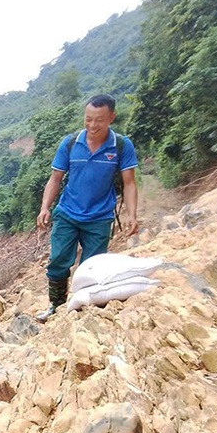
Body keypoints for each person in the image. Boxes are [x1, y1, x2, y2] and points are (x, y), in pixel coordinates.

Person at [34, 94, 139, 322]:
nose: (92, 125)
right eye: (88, 119)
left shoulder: (121, 146)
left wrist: (132, 215)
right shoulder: (71, 143)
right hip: (68, 213)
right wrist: (45, 208)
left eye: (99, 120)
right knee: (59, 259)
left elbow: (129, 182)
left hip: (100, 217)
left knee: (91, 267)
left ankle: (82, 310)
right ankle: (56, 306)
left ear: (111, 117)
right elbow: (55, 179)